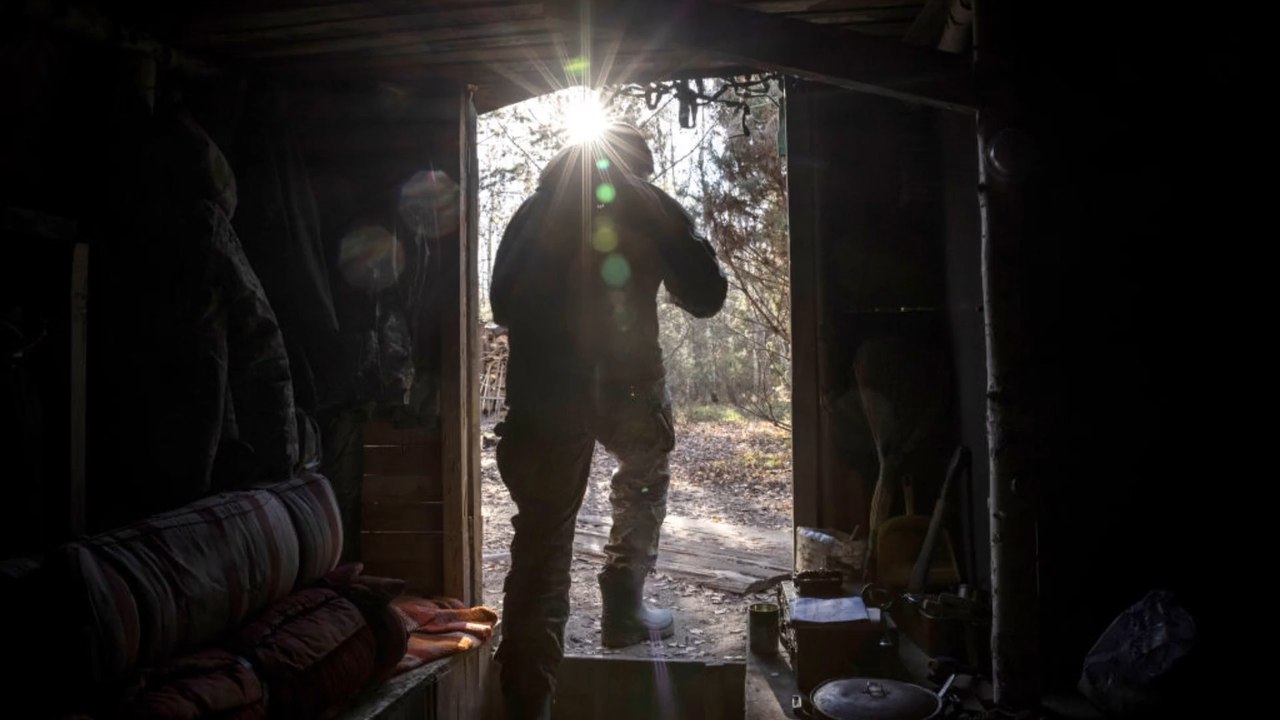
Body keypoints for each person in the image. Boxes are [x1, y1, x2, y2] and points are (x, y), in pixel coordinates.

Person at [489, 122, 727, 718]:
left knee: (543, 537)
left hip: (543, 391)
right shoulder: (649, 202)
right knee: (644, 474)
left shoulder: (531, 209)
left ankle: (527, 698)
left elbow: (499, 301)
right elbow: (706, 294)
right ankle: (623, 605)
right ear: (637, 163)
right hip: (626, 384)